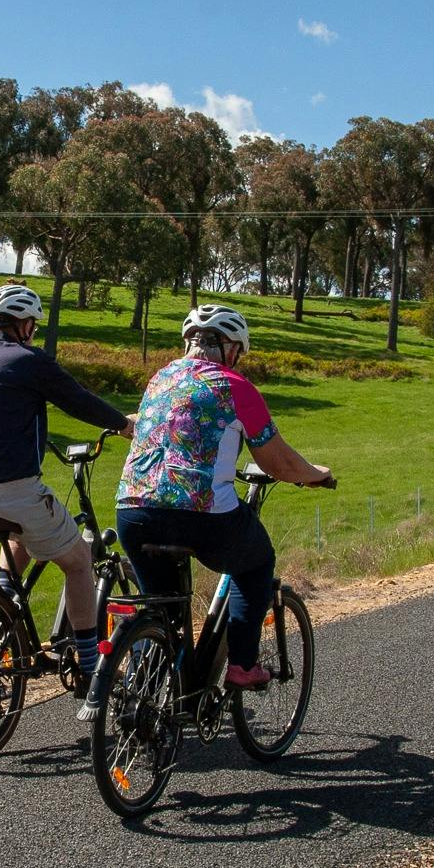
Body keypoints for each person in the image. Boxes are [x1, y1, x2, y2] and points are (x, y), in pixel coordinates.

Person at [92, 304, 331, 720]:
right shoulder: (236, 386)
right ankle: (241, 666)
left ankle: (152, 694)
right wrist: (314, 475)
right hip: (201, 515)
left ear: (189, 342)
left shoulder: (159, 379)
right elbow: (279, 463)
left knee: (160, 606)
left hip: (132, 510)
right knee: (256, 563)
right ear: (231, 348)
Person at [0, 283, 134, 684]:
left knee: (19, 539)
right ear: (25, 324)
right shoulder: (29, 360)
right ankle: (89, 665)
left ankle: (4, 616)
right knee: (79, 561)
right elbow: (77, 399)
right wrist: (122, 424)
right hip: (12, 488)